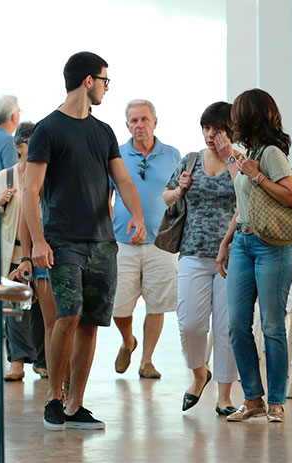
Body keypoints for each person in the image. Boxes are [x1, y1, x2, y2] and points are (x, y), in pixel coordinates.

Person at [23, 51, 146, 431]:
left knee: (91, 322)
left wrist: (138, 216)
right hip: (62, 241)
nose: (107, 88)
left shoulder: (104, 132)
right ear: (88, 81)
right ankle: (53, 399)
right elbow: (31, 189)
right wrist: (38, 243)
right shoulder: (48, 129)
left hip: (102, 242)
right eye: (105, 80)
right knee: (69, 314)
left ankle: (76, 405)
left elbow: (122, 180)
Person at [217, 89, 292, 423]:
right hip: (243, 243)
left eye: (237, 113)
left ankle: (276, 401)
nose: (232, 120)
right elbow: (244, 207)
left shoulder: (270, 154)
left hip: (273, 248)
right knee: (236, 323)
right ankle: (253, 398)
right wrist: (226, 242)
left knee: (271, 324)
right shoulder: (249, 152)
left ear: (249, 116)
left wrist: (258, 175)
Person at [164, 102, 240, 414]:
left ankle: (224, 396)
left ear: (231, 131)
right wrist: (179, 190)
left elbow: (247, 199)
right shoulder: (191, 160)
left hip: (233, 256)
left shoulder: (240, 161)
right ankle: (199, 374)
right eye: (207, 128)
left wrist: (230, 158)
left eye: (218, 129)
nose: (211, 135)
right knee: (190, 323)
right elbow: (167, 196)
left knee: (227, 327)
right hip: (193, 251)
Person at [110, 99, 181, 379]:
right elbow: (106, 195)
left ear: (154, 121)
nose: (139, 125)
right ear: (127, 125)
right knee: (117, 305)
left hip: (161, 243)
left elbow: (179, 196)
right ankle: (128, 341)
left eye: (144, 119)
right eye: (133, 121)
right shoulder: (115, 154)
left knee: (157, 303)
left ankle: (146, 361)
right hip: (121, 242)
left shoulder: (173, 154)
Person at [0, 122, 49, 381]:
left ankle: (43, 362)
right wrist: (0, 201)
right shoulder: (5, 177)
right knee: (15, 309)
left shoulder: (46, 175)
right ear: (19, 147)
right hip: (13, 254)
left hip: (41, 252)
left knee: (42, 310)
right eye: (32, 145)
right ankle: (17, 363)